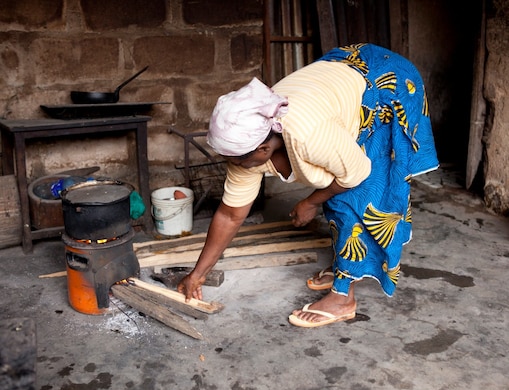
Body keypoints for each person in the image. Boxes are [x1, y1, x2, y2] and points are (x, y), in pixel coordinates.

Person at [177, 43, 439, 328]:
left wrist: (310, 202)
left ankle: (343, 298)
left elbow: (357, 173)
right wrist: (198, 274)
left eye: (238, 161)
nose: (234, 166)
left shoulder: (308, 136)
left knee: (351, 198)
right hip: (341, 78)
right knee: (333, 185)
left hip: (385, 83)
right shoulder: (245, 148)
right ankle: (346, 268)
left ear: (263, 149)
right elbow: (230, 215)